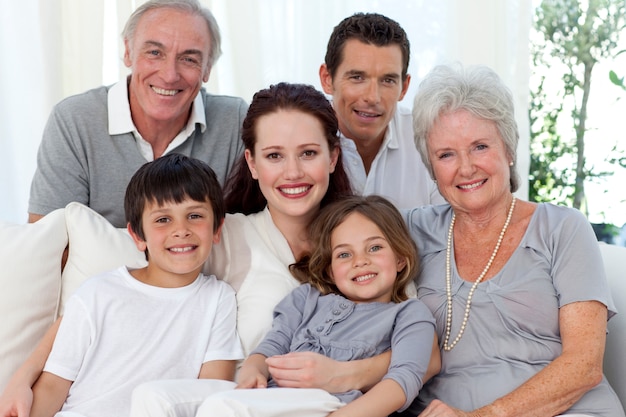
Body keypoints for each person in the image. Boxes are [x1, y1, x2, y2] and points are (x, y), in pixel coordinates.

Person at [127, 83, 439, 416]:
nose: (293, 172)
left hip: (314, 404)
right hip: (245, 395)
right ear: (253, 162)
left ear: (333, 156)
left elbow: (427, 357)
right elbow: (141, 273)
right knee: (161, 399)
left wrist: (344, 375)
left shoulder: (373, 240)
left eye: (308, 153)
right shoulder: (221, 235)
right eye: (274, 155)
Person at [402, 63, 624, 417]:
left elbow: (584, 365)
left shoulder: (562, 228)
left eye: (479, 146)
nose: (466, 167)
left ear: (508, 148)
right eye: (446, 154)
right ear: (431, 166)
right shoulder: (411, 231)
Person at [29, 153, 243, 417]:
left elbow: (212, 391)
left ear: (217, 229)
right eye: (163, 219)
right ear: (137, 236)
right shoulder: (97, 292)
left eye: (195, 215)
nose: (181, 230)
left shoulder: (218, 299)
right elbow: (53, 385)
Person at [192, 195, 436, 417]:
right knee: (180, 400)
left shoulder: (409, 314)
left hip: (337, 406)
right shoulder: (306, 298)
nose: (360, 261)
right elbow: (273, 344)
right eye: (344, 254)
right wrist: (253, 370)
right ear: (330, 270)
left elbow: (402, 382)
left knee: (222, 407)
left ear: (401, 258)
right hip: (275, 399)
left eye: (375, 248)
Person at [28, 0, 247, 228]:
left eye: (189, 59)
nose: (170, 75)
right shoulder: (74, 120)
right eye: (154, 52)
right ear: (128, 52)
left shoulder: (234, 120)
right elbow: (48, 242)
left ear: (208, 68)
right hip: (104, 266)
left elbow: (252, 230)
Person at [319, 13, 445, 209]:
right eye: (357, 77)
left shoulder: (430, 138)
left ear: (404, 87)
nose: (373, 97)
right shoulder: (300, 139)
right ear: (327, 78)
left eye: (387, 80)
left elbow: (452, 230)